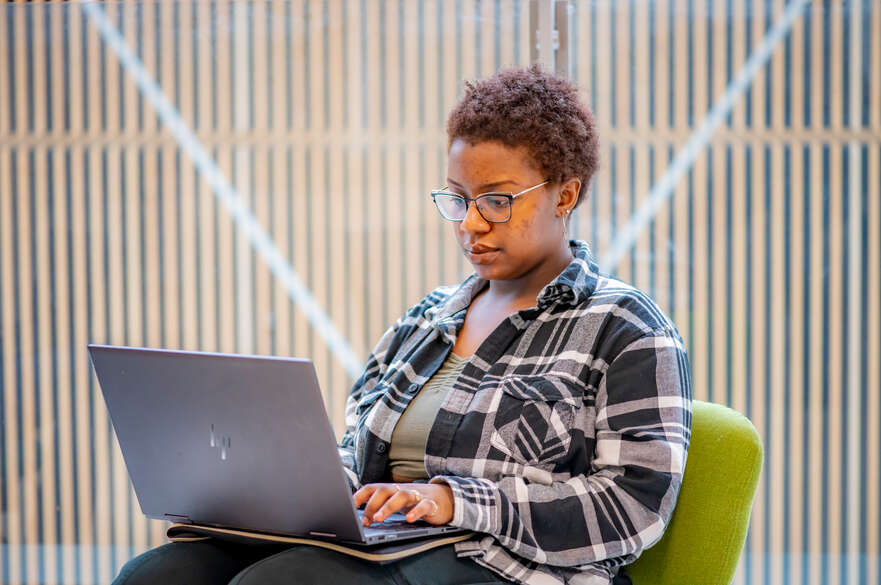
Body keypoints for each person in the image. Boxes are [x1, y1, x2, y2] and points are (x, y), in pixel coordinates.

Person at [113, 64, 692, 585]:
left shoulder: (626, 328)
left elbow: (632, 507)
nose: (470, 224)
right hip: (383, 547)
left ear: (566, 194)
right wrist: (298, 489)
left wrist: (452, 500)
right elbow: (356, 452)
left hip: (511, 564)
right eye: (458, 198)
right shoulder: (426, 319)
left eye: (496, 200)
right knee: (159, 575)